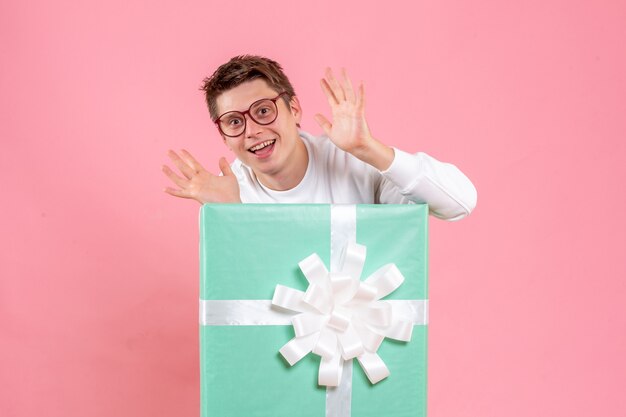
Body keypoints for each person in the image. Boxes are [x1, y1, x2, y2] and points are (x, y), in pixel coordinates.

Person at [162, 55, 477, 221]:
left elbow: (460, 203)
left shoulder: (353, 161)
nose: (252, 131)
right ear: (224, 137)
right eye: (234, 121)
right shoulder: (227, 194)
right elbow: (244, 301)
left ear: (294, 109)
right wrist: (231, 216)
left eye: (262, 111)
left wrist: (369, 149)